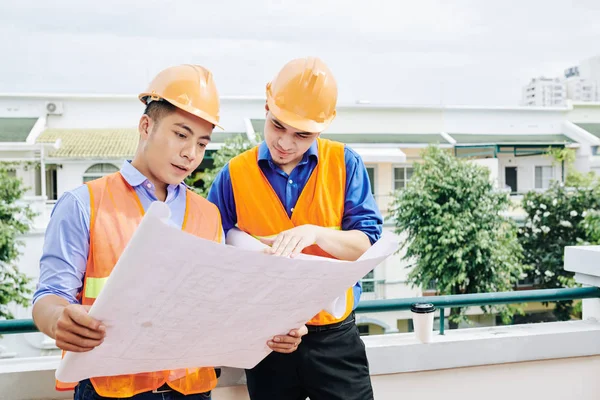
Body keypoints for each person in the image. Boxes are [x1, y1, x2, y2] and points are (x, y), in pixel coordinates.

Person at [32, 64, 306, 400]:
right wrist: (57, 319)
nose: (191, 154)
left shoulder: (208, 214)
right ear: (146, 126)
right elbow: (49, 295)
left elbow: (221, 304)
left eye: (202, 143)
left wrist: (272, 329)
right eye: (181, 134)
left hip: (192, 389)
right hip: (111, 390)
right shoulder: (83, 204)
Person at [207, 57, 383, 400]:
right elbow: (212, 256)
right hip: (268, 340)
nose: (285, 142)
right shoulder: (233, 175)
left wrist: (315, 233)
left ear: (321, 129)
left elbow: (366, 243)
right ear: (266, 108)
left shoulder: (346, 164)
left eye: (302, 134)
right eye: (276, 126)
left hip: (335, 339)